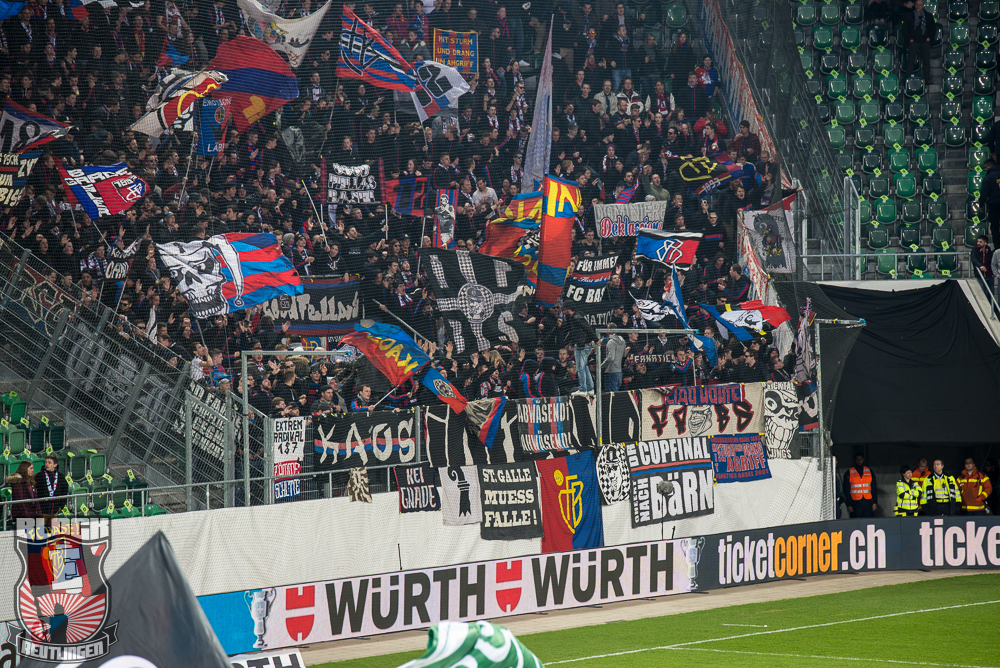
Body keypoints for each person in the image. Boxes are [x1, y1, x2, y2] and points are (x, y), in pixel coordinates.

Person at [562, 305, 599, 393]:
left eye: (564, 309)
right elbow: (576, 333)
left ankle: (583, 389)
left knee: (580, 367)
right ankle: (590, 388)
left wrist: (596, 339)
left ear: (568, 309)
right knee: (584, 366)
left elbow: (587, 328)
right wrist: (572, 343)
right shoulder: (573, 318)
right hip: (581, 344)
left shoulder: (577, 318)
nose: (563, 311)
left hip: (582, 345)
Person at [903, 0, 935, 84]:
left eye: (920, 5)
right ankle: (907, 79)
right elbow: (904, 29)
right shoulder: (909, 16)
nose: (918, 6)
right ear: (914, 5)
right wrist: (910, 39)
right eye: (917, 5)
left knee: (926, 61)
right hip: (913, 41)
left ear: (923, 6)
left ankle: (927, 79)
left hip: (924, 41)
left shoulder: (928, 16)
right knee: (910, 61)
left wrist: (929, 38)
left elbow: (933, 29)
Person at [844, 453, 878, 518]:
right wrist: (849, 505)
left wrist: (874, 502)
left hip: (867, 502)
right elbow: (846, 490)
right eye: (857, 459)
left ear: (863, 460)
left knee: (869, 520)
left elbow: (873, 488)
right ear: (855, 460)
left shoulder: (869, 471)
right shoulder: (849, 473)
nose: (859, 461)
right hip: (855, 502)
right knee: (856, 520)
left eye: (861, 459)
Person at [601, 324, 626, 392]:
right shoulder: (622, 341)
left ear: (608, 331)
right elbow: (624, 354)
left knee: (612, 394)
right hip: (619, 372)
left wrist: (601, 366)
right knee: (616, 393)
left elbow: (611, 357)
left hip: (611, 372)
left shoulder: (610, 342)